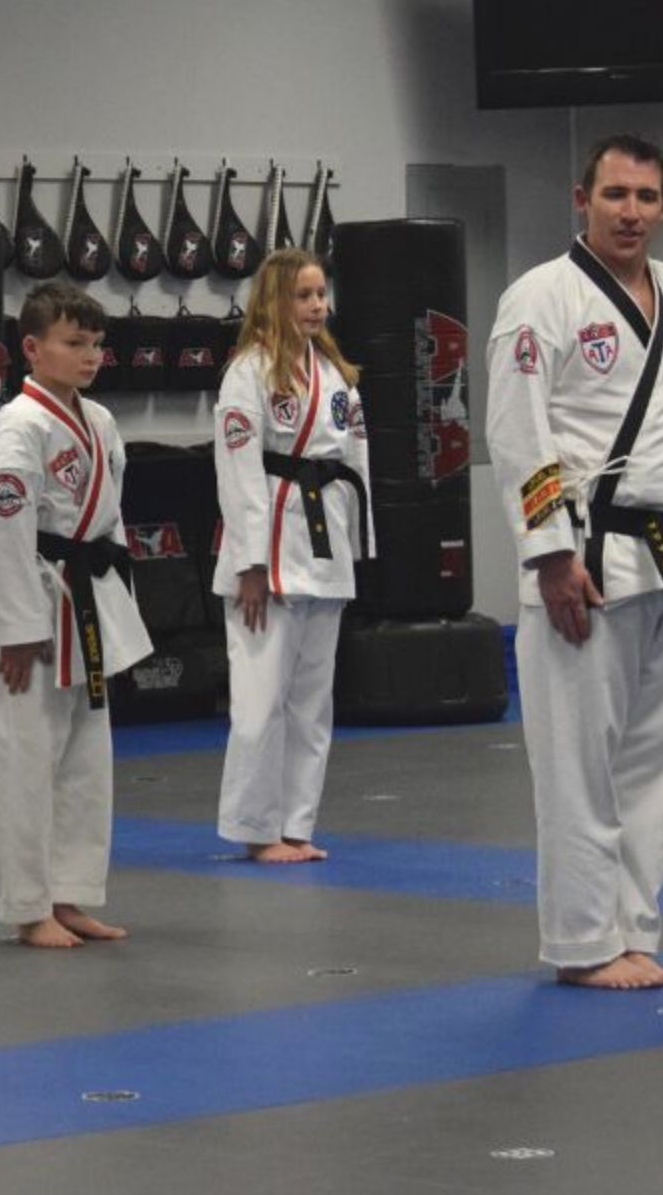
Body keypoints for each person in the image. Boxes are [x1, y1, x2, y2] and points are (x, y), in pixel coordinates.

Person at [486, 132, 663, 991]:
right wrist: (550, 554)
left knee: (648, 764)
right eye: (617, 194)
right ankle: (584, 941)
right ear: (580, 198)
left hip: (658, 557)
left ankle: (633, 924)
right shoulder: (540, 298)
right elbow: (521, 434)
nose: (632, 212)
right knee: (576, 765)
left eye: (648, 198)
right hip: (585, 557)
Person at [0, 283, 151, 948]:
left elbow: (109, 520)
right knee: (26, 761)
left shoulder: (98, 421)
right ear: (32, 347)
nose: (91, 356)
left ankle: (70, 893)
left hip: (87, 603)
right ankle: (27, 906)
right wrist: (16, 628)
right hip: (35, 606)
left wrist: (117, 602)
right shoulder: (18, 425)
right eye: (75, 343)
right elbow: (3, 528)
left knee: (84, 760)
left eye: (96, 344)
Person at [213, 248, 372, 864]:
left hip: (325, 545)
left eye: (321, 295)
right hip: (270, 549)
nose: (317, 306)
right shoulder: (247, 371)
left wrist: (362, 546)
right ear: (275, 301)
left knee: (311, 700)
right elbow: (237, 469)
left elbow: (357, 464)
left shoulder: (334, 373)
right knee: (259, 700)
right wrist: (250, 563)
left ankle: (297, 825)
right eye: (303, 295)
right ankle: (257, 828)